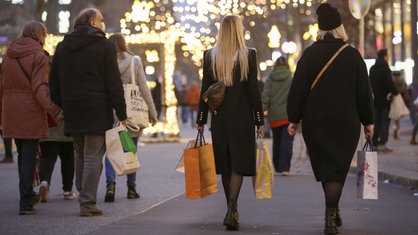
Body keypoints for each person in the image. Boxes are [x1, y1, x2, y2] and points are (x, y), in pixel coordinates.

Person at [287, 3, 374, 235]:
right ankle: (331, 212)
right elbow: (363, 91)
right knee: (338, 168)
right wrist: (368, 121)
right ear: (339, 29)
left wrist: (293, 119)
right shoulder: (353, 55)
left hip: (316, 122)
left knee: (327, 167)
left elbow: (298, 90)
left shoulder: (309, 55)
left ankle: (332, 211)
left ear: (320, 29)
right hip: (346, 121)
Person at [49, 8, 127, 217]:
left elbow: (53, 81)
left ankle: (84, 192)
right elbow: (113, 82)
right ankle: (87, 203)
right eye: (101, 20)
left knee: (80, 154)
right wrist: (122, 111)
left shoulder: (63, 46)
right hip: (96, 108)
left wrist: (62, 104)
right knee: (93, 156)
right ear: (93, 22)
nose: (103, 24)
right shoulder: (104, 46)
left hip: (73, 109)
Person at [196, 15, 264, 231]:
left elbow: (205, 90)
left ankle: (230, 208)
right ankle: (232, 207)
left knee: (225, 163)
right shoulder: (248, 55)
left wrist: (200, 118)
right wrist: (259, 119)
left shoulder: (210, 56)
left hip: (219, 119)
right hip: (243, 119)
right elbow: (254, 90)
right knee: (237, 164)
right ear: (238, 30)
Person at [0, 21, 63, 215]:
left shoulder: (8, 55)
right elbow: (40, 89)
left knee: (22, 153)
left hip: (10, 108)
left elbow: (1, 87)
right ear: (39, 35)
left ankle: (27, 193)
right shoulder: (38, 56)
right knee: (29, 153)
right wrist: (54, 109)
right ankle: (26, 200)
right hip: (30, 110)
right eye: (44, 34)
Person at [103, 33, 158, 203]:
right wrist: (152, 112)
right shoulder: (134, 61)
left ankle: (110, 185)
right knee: (131, 149)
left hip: (110, 111)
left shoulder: (105, 60)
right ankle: (131, 188)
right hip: (132, 112)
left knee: (111, 149)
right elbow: (143, 87)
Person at [262, 56, 293, 175]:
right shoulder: (290, 78)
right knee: (287, 141)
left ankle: (277, 167)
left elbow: (266, 96)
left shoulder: (271, 78)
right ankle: (285, 167)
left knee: (277, 140)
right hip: (288, 115)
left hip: (274, 115)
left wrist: (260, 111)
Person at [38, 120, 76, 202]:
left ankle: (44, 182)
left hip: (48, 129)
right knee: (68, 160)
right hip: (66, 131)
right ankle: (67, 190)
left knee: (47, 158)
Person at [369, 49, 398, 152]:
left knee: (377, 121)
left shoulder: (372, 69)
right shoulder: (385, 68)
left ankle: (375, 143)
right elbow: (389, 84)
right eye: (388, 55)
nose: (389, 57)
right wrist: (396, 92)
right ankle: (382, 143)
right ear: (385, 56)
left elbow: (370, 83)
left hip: (376, 99)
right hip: (385, 99)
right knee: (385, 121)